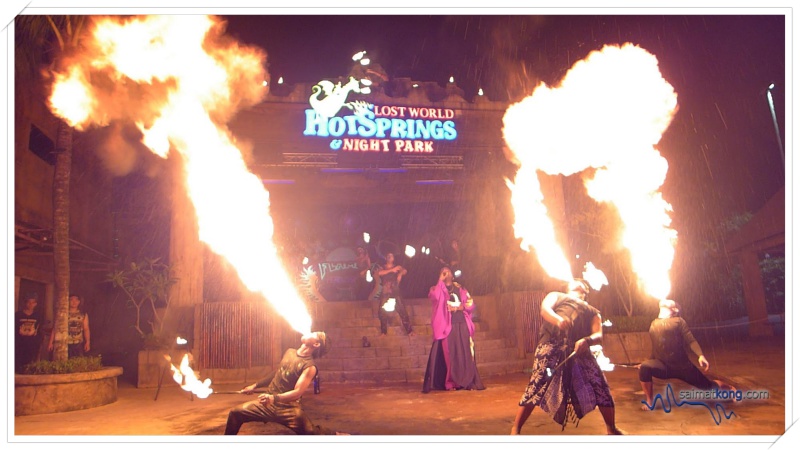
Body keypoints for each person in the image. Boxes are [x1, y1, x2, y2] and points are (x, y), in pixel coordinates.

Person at [511, 279, 623, 435]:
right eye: (575, 283)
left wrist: (587, 340)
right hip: (551, 345)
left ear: (586, 292)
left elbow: (598, 334)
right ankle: (516, 429)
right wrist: (559, 320)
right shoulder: (557, 296)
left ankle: (611, 428)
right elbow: (544, 310)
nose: (578, 284)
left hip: (579, 350)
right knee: (537, 385)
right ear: (568, 288)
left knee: (600, 385)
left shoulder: (592, 311)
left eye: (582, 285)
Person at [224, 331, 347, 435]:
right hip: (267, 404)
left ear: (316, 344)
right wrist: (255, 386)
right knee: (235, 413)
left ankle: (334, 435)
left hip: (288, 408)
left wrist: (274, 398)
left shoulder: (310, 367)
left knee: (310, 432)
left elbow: (297, 392)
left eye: (313, 333)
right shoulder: (290, 352)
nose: (309, 332)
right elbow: (277, 372)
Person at [639, 299, 737, 410]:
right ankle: (650, 402)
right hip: (664, 366)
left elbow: (691, 340)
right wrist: (649, 361)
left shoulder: (679, 321)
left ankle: (730, 388)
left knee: (708, 387)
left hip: (682, 367)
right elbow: (656, 347)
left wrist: (700, 355)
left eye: (671, 301)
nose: (666, 299)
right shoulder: (654, 323)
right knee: (644, 367)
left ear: (674, 309)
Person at [422, 266, 485, 392]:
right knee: (450, 356)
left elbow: (470, 304)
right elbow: (435, 296)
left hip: (462, 324)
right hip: (447, 327)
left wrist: (459, 308)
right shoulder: (436, 289)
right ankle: (451, 383)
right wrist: (440, 281)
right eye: (443, 272)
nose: (446, 274)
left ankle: (468, 382)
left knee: (465, 354)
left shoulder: (460, 289)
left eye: (448, 271)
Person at [375, 252, 414, 336]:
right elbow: (379, 273)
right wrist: (391, 270)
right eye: (388, 256)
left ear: (393, 258)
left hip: (395, 291)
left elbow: (405, 271)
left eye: (391, 255)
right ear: (386, 258)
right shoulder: (383, 267)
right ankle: (383, 332)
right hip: (386, 291)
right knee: (382, 312)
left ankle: (409, 331)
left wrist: (400, 273)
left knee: (402, 310)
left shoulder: (397, 267)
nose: (390, 257)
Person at [49, 294, 91, 358]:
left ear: (79, 302)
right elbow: (55, 328)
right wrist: (50, 342)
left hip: (78, 343)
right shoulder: (62, 313)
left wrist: (87, 342)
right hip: (65, 343)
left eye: (76, 300)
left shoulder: (83, 314)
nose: (74, 302)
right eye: (71, 300)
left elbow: (86, 328)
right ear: (68, 301)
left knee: (78, 362)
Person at [15, 293, 44, 372]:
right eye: (28, 302)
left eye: (33, 302)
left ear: (35, 304)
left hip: (32, 342)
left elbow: (39, 329)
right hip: (19, 342)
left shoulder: (38, 316)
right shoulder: (18, 315)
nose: (30, 304)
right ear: (25, 303)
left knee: (30, 360)